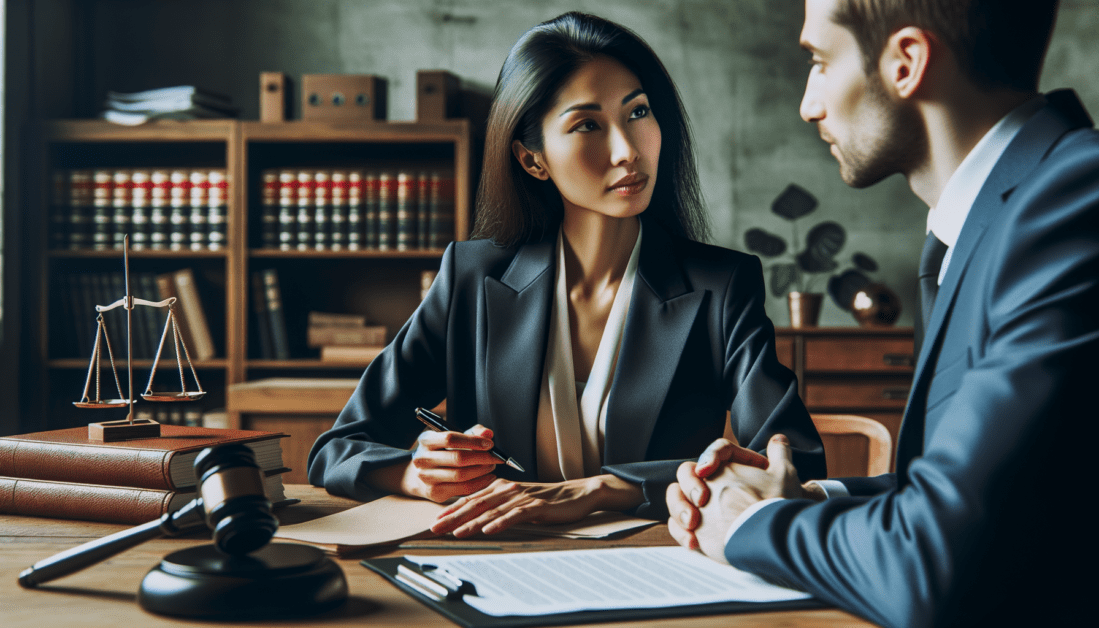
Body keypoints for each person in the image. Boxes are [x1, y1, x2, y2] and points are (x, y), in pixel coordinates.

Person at [308, 11, 825, 537]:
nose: (627, 150)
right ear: (533, 159)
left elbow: (792, 463)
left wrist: (603, 488)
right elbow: (337, 449)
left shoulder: (722, 286)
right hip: (495, 564)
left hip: (653, 567)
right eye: (587, 125)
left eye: (638, 112)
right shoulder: (472, 277)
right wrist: (415, 474)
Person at [666, 0, 1098, 626]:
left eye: (818, 61)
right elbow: (984, 497)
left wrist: (746, 520)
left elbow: (932, 564)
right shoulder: (995, 218)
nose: (808, 105)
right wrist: (808, 496)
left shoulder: (1072, 203)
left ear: (906, 62)